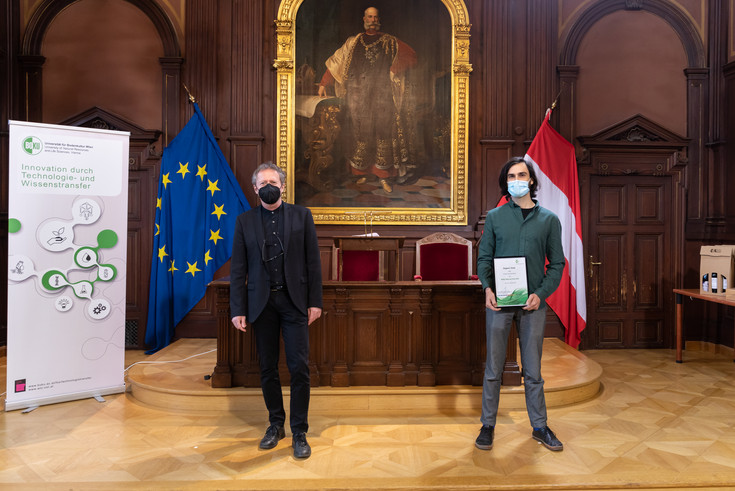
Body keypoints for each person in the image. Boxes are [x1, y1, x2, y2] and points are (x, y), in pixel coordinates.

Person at [230, 162, 323, 459]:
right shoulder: (244, 221)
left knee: (299, 367)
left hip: (294, 302)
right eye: (263, 183)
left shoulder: (302, 216)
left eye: (273, 182)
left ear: (283, 186)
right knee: (267, 368)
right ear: (255, 189)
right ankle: (275, 424)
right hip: (261, 305)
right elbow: (238, 269)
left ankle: (299, 431)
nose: (268, 187)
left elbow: (313, 262)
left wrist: (315, 302)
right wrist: (237, 309)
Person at [475, 156, 566, 452]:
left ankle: (540, 426)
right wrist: (487, 288)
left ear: (531, 180)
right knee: (494, 367)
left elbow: (557, 264)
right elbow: (484, 258)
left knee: (533, 371)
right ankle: (487, 425)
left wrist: (541, 293)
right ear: (506, 183)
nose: (516, 180)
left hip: (533, 304)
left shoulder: (549, 220)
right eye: (511, 176)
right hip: (499, 304)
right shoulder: (495, 217)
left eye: (522, 175)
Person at [318, 6, 417, 193]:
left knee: (383, 132)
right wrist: (324, 83)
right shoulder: (353, 42)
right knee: (361, 133)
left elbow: (411, 55)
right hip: (358, 97)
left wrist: (394, 68)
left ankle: (383, 176)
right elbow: (336, 62)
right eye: (369, 17)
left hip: (382, 97)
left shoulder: (390, 41)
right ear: (364, 19)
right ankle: (362, 173)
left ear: (379, 19)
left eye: (375, 17)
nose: (373, 20)